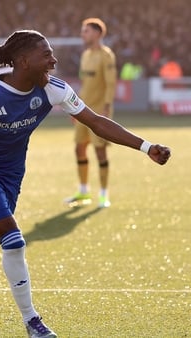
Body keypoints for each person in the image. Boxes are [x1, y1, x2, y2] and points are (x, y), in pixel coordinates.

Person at [0, 30, 171, 338]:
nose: (53, 60)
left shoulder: (54, 89)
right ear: (23, 61)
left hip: (12, 175)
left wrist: (146, 146)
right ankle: (33, 322)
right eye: (46, 55)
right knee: (13, 240)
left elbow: (95, 121)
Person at [64, 18, 117, 208]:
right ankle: (83, 192)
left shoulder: (106, 56)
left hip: (99, 112)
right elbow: (85, 85)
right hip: (83, 111)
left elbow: (111, 83)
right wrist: (74, 108)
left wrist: (107, 107)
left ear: (96, 33)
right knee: (79, 148)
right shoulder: (85, 55)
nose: (82, 34)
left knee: (99, 151)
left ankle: (103, 194)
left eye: (85, 31)